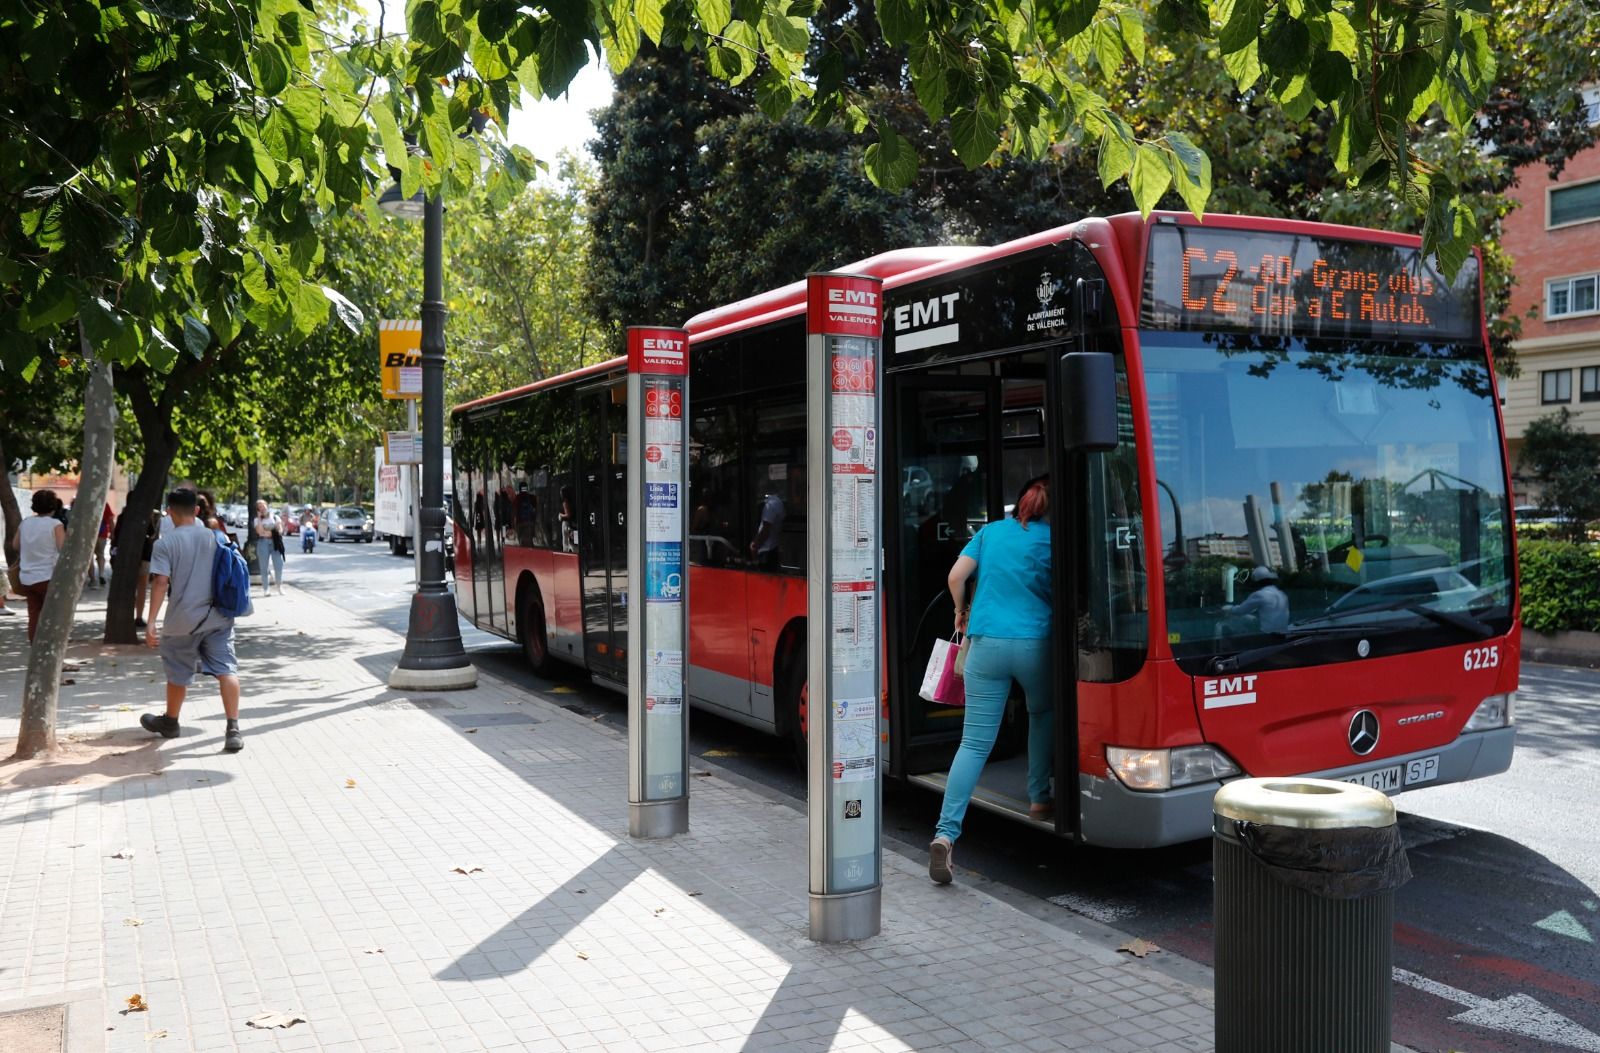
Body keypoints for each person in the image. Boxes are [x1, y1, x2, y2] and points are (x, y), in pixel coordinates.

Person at [928, 475, 1054, 885]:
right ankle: (1039, 799)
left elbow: (954, 577)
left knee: (974, 742)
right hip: (1035, 645)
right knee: (1041, 713)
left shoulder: (990, 532)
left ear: (1019, 505)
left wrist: (960, 611)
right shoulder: (1053, 539)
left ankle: (946, 835)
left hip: (985, 645)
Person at [140, 488, 244, 752]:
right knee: (226, 669)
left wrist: (151, 622)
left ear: (170, 512)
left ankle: (171, 722)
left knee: (178, 673)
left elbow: (161, 582)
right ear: (196, 510)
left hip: (182, 622)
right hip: (218, 616)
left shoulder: (165, 544)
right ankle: (233, 728)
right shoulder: (216, 536)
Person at [17, 489, 67, 643]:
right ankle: (52, 657)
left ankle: (35, 653)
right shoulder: (55, 524)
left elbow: (14, 544)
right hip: (47, 576)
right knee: (53, 617)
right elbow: (62, 548)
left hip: (26, 577)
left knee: (34, 616)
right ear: (53, 506)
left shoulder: (25, 522)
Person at [1223, 565, 1290, 633]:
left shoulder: (1260, 595)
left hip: (1267, 637)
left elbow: (1241, 611)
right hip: (1283, 634)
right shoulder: (1282, 594)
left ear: (1257, 581)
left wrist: (1228, 608)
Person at [134, 509, 160, 629]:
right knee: (142, 587)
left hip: (131, 557)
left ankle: (136, 615)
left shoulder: (124, 517)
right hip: (144, 555)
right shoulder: (145, 518)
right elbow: (152, 535)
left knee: (135, 587)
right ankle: (138, 616)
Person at [252, 500, 284, 595]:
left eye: (263, 506)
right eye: (260, 507)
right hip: (263, 543)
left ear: (267, 506)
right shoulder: (256, 520)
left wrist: (272, 532)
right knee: (264, 567)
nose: (262, 508)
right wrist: (259, 518)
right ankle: (266, 588)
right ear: (258, 509)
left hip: (275, 543)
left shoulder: (275, 517)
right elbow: (260, 532)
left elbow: (279, 530)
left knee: (278, 565)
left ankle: (279, 586)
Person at [88, 502, 113, 587]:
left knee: (89, 557)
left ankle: (93, 579)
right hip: (102, 533)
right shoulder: (104, 503)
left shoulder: (86, 503)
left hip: (88, 534)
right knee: (101, 555)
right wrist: (112, 533)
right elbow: (110, 519)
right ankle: (101, 574)